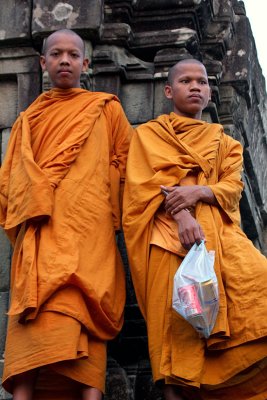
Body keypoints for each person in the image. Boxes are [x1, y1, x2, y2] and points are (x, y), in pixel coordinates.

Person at [0, 29, 133, 400]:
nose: (64, 60)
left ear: (85, 64)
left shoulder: (106, 109)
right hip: (41, 236)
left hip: (89, 234)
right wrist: (39, 195)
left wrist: (99, 192)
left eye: (73, 55)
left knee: (83, 313)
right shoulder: (29, 119)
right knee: (34, 316)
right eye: (56, 54)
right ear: (43, 63)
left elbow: (129, 166)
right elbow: (10, 180)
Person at [122, 59, 267, 400]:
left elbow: (232, 189)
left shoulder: (225, 143)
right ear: (169, 91)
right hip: (165, 239)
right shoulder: (147, 136)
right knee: (176, 333)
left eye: (201, 81)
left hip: (219, 239)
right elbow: (144, 186)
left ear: (210, 92)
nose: (195, 86)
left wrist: (199, 192)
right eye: (186, 81)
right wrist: (183, 215)